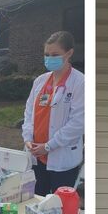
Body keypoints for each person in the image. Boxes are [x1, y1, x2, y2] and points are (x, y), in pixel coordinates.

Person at [22, 31, 85, 197]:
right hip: (36, 155)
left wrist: (49, 146)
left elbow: (78, 124)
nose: (49, 58)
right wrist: (28, 139)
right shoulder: (40, 81)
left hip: (62, 159)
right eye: (47, 54)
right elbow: (29, 113)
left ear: (69, 53)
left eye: (55, 54)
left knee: (60, 206)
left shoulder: (80, 83)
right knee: (35, 202)